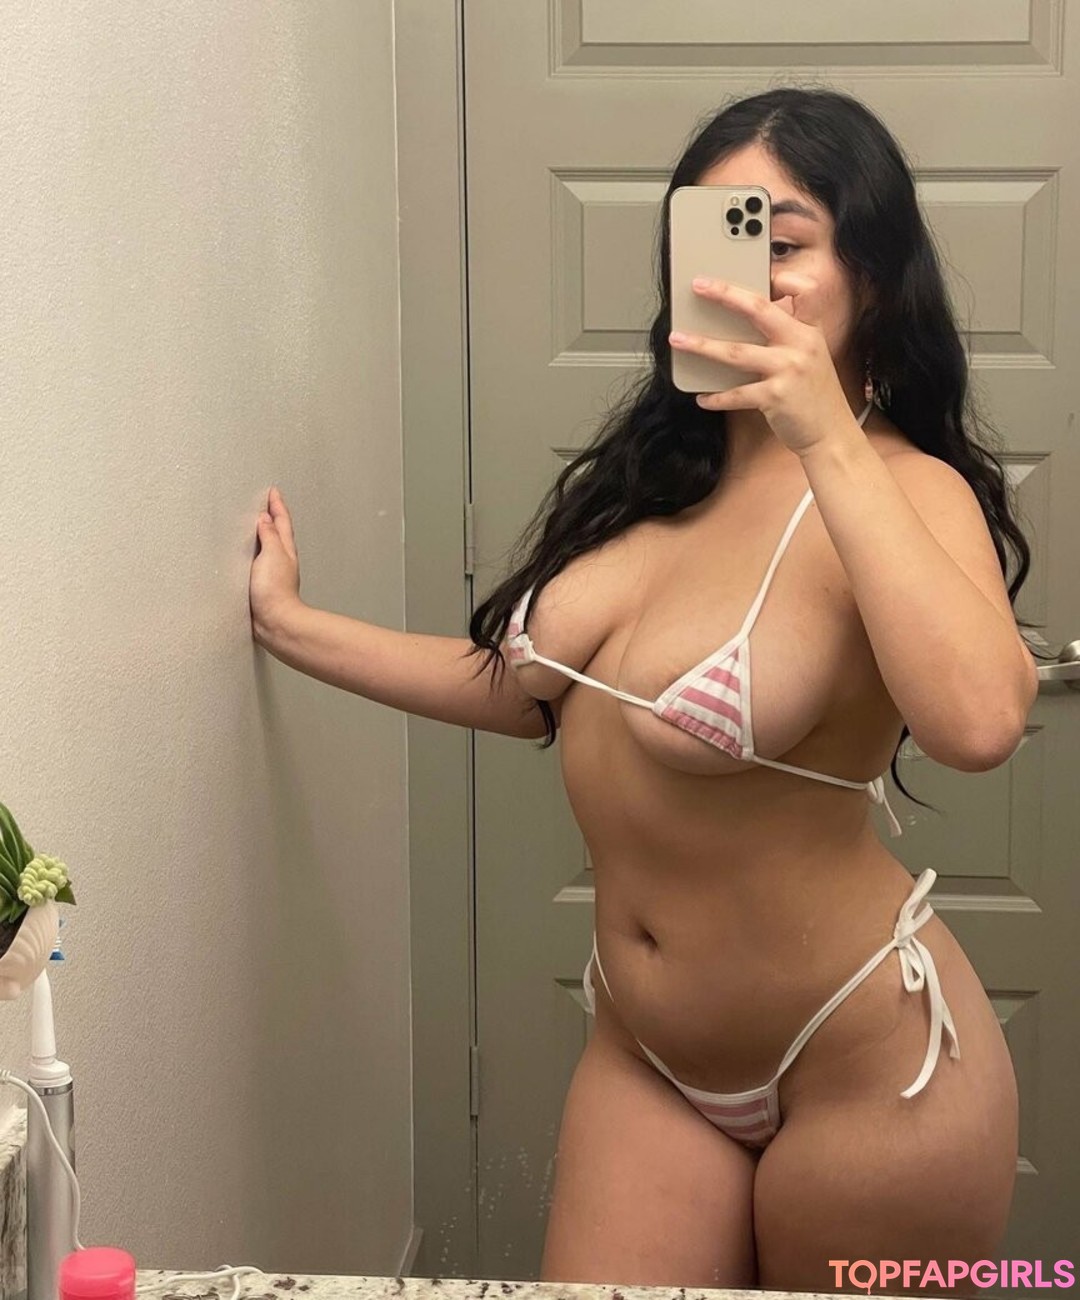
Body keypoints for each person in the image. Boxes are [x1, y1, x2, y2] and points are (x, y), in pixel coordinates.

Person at [249, 88, 1039, 1294]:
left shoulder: (899, 488)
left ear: (874, 281)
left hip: (868, 1068)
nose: (746, 276)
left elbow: (979, 722)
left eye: (782, 243)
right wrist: (293, 626)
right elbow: (533, 693)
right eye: (716, 237)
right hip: (648, 1055)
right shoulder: (659, 485)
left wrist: (825, 433)